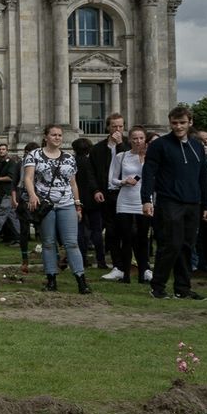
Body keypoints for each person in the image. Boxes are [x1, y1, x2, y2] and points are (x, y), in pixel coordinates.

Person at [142, 105, 207, 300]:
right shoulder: (160, 145)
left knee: (187, 246)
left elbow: (203, 176)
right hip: (169, 201)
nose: (178, 127)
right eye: (174, 123)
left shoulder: (198, 146)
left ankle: (183, 288)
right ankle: (158, 287)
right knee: (171, 244)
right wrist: (146, 199)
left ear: (190, 123)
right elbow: (149, 173)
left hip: (193, 203)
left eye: (182, 123)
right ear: (170, 123)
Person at [24, 124, 91, 294]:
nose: (57, 138)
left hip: (66, 203)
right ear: (46, 137)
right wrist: (32, 195)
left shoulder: (69, 157)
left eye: (60, 135)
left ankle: (81, 280)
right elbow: (28, 178)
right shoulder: (35, 155)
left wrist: (77, 204)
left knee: (71, 243)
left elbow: (73, 183)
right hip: (46, 205)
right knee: (48, 243)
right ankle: (51, 278)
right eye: (53, 135)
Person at [109, 126, 151, 285]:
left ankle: (142, 273)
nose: (138, 141)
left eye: (141, 138)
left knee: (142, 239)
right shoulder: (122, 156)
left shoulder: (149, 157)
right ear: (130, 140)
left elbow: (151, 176)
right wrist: (123, 181)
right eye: (135, 138)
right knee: (125, 238)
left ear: (145, 139)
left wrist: (142, 162)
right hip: (124, 200)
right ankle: (125, 273)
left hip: (143, 200)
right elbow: (112, 179)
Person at [91, 113, 131, 281]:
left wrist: (120, 144)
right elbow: (91, 172)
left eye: (121, 127)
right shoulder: (99, 148)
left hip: (127, 194)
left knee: (129, 231)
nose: (118, 130)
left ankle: (131, 265)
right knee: (112, 232)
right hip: (108, 194)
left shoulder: (129, 146)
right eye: (114, 126)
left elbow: (128, 164)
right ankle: (117, 266)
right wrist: (95, 190)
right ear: (108, 127)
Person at [71, 137, 107, 270]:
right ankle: (101, 260)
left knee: (80, 231)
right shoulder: (92, 162)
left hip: (77, 199)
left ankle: (83, 258)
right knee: (96, 231)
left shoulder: (73, 162)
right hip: (93, 198)